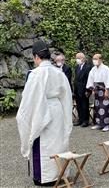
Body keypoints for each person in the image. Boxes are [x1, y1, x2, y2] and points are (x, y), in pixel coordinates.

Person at [16, 40, 73, 186]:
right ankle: (60, 173)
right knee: (57, 141)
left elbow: (28, 99)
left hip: (41, 109)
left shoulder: (35, 74)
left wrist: (24, 118)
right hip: (57, 109)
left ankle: (44, 177)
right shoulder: (59, 72)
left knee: (42, 142)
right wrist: (67, 117)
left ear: (36, 57)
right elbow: (66, 96)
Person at [87, 54, 109, 132]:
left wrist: (107, 90)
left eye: (96, 59)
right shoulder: (93, 69)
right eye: (93, 59)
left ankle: (106, 125)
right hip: (96, 90)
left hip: (104, 89)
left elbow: (108, 79)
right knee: (97, 107)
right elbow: (90, 79)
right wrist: (92, 89)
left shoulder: (105, 68)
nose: (94, 60)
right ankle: (98, 123)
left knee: (105, 107)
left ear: (101, 59)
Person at [73, 52, 92, 127]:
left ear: (83, 58)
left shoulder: (88, 67)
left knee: (85, 106)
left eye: (78, 58)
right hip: (77, 89)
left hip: (84, 89)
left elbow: (89, 79)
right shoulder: (77, 67)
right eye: (76, 58)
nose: (77, 60)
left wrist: (88, 90)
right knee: (79, 106)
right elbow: (75, 79)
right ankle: (80, 119)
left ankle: (85, 121)